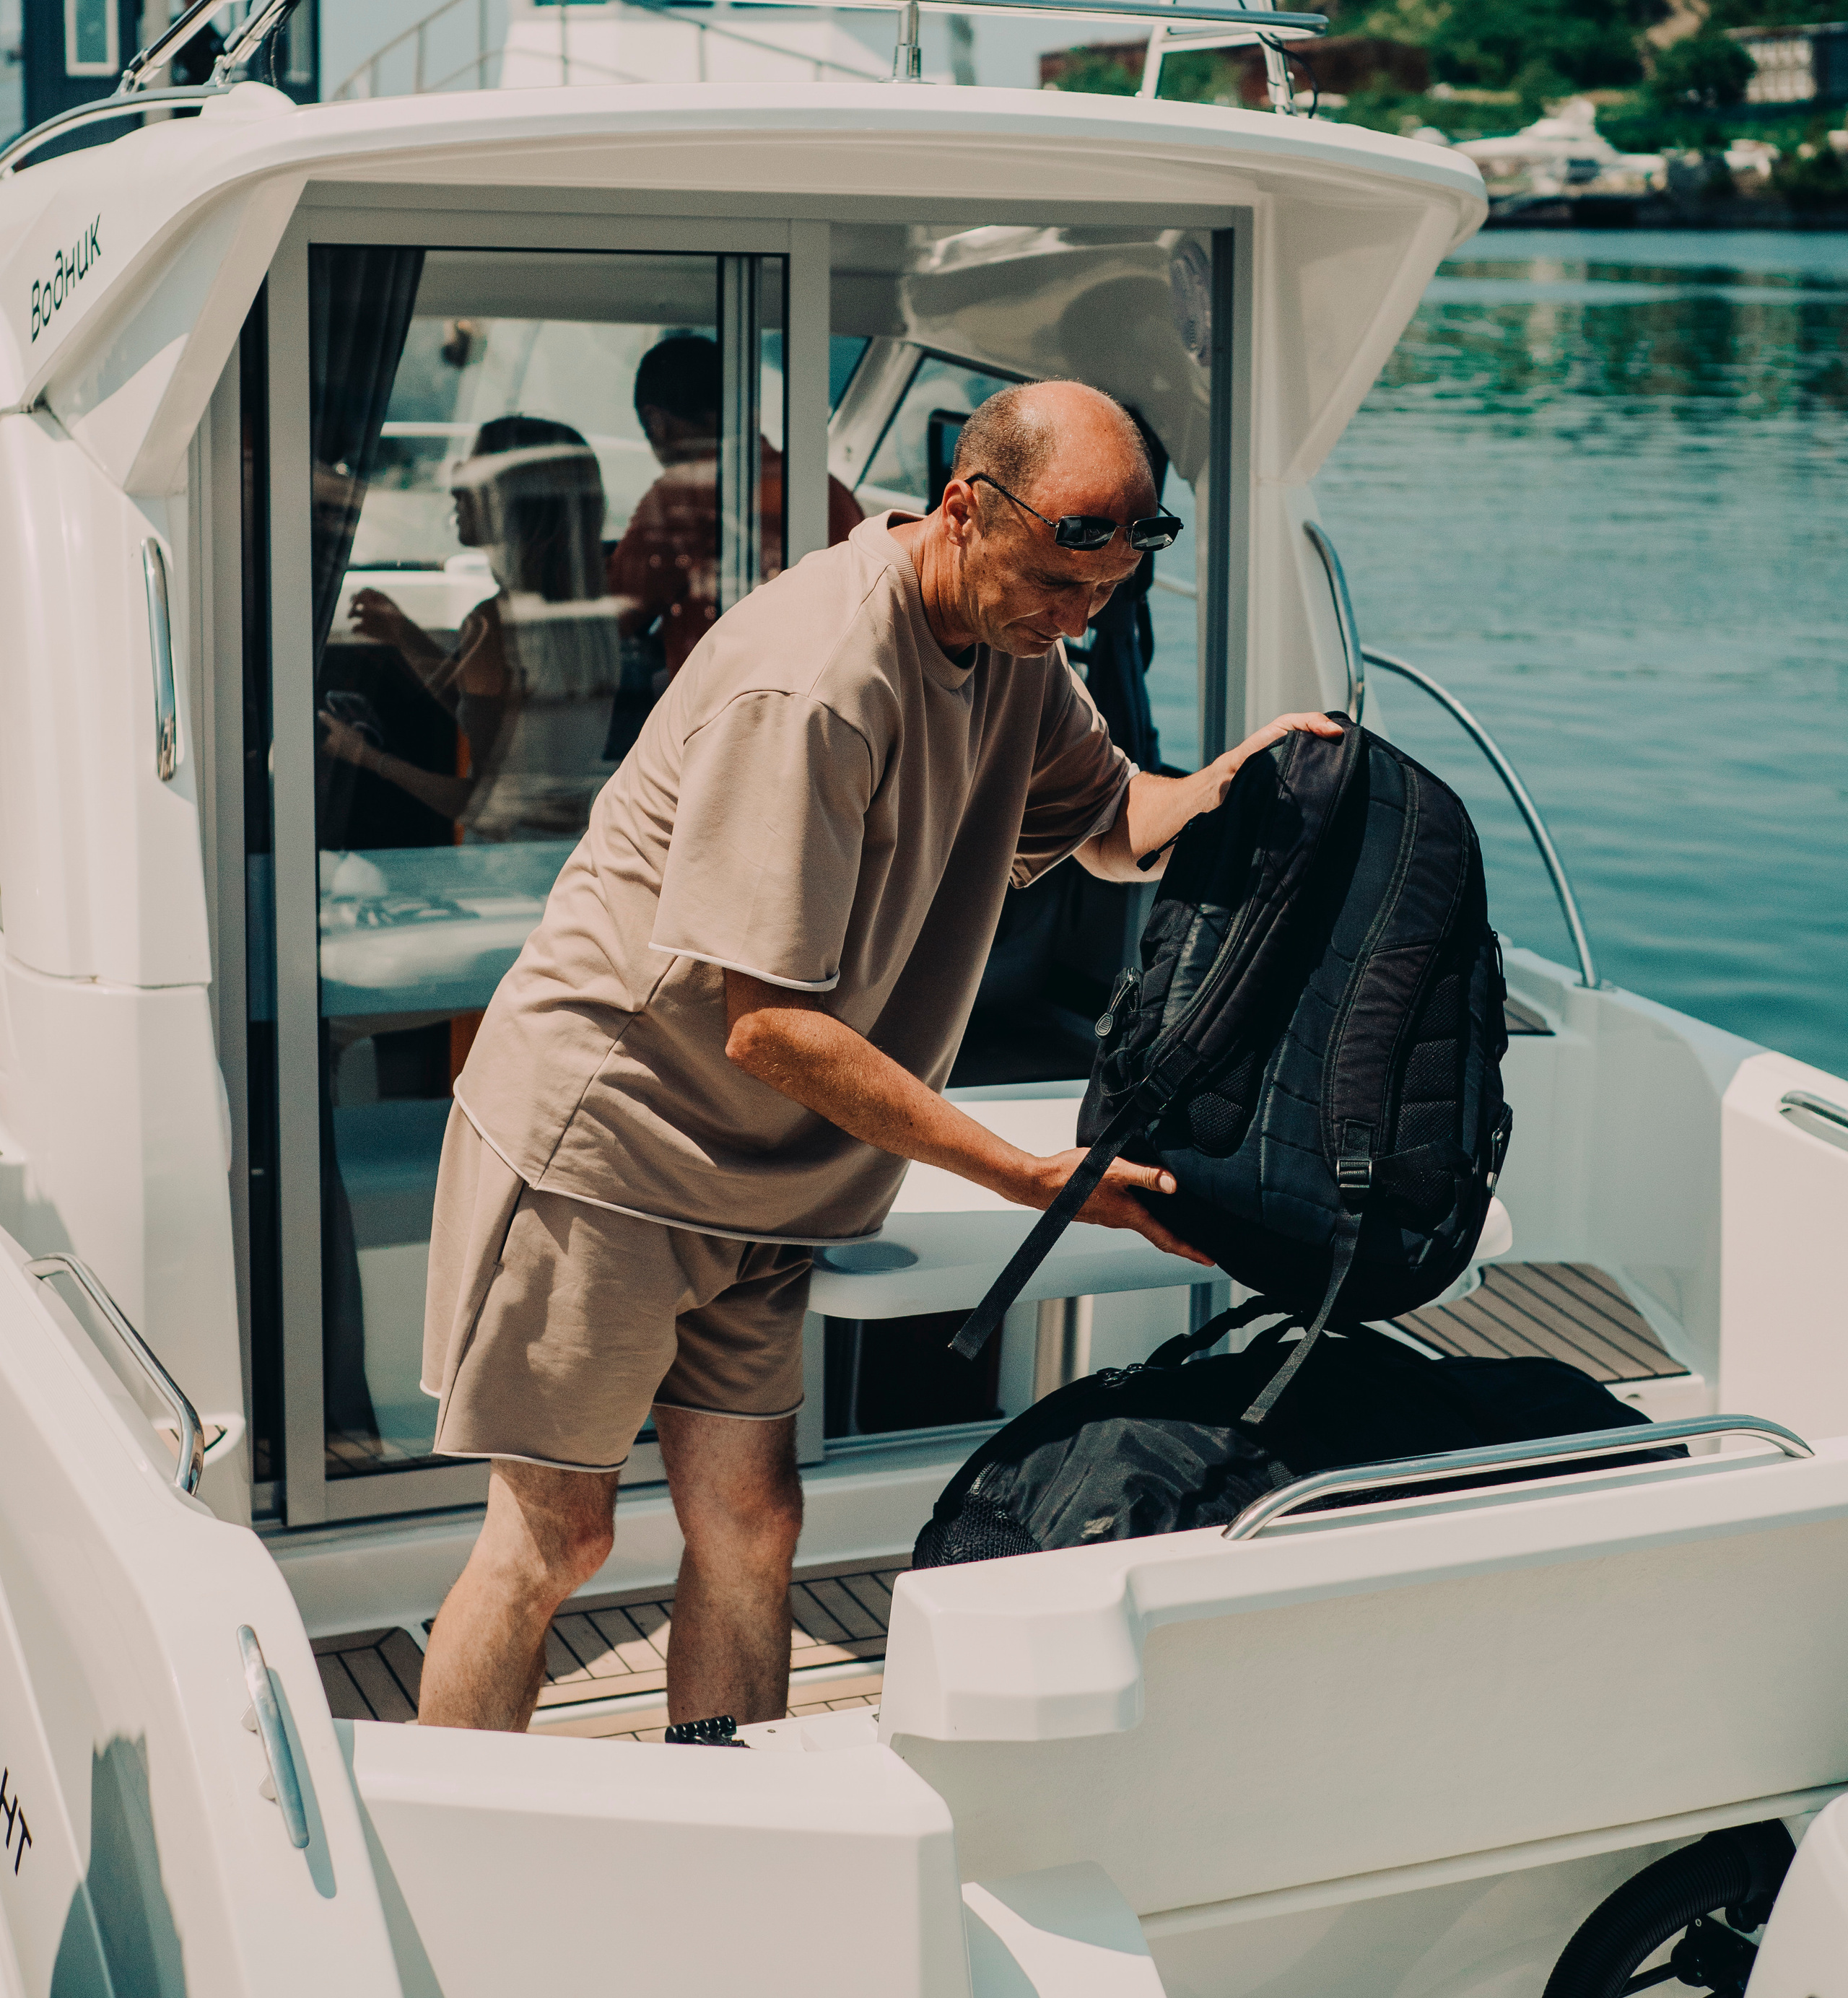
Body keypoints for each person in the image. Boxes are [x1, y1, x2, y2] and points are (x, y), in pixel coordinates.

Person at [416, 379, 1339, 1734]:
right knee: (555, 1540)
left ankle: (736, 1821)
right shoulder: (819, 679)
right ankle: (458, 1850)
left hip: (766, 1176)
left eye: (1101, 596)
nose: (1072, 621)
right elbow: (768, 1021)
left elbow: (1108, 818)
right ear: (965, 507)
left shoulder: (1022, 641)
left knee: (754, 1521)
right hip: (609, 1147)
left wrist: (1227, 785)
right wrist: (1031, 1171)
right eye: (1052, 585)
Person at [319, 414, 623, 842]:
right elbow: (497, 723)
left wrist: (367, 757)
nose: (456, 482)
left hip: (502, 864)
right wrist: (407, 636)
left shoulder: (492, 625)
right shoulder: (590, 617)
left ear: (509, 500)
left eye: (475, 467)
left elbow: (481, 804)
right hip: (566, 854)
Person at [604, 333, 862, 682]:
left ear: (656, 422)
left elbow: (615, 618)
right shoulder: (827, 490)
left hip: (725, 716)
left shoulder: (678, 498)